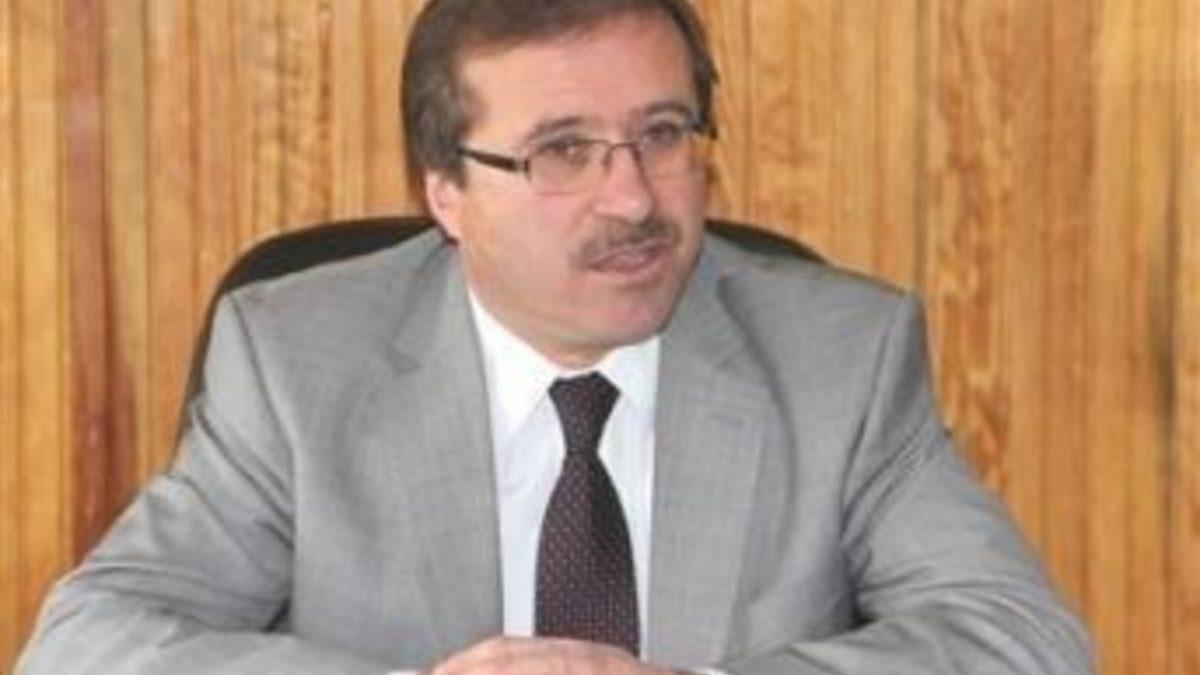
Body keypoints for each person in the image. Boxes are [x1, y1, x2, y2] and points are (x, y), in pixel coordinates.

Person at [17, 0, 1093, 673]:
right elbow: (85, 645)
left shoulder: (839, 358)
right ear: (445, 190)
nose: (632, 198)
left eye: (661, 134)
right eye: (562, 152)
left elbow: (1021, 638)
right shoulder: (297, 361)